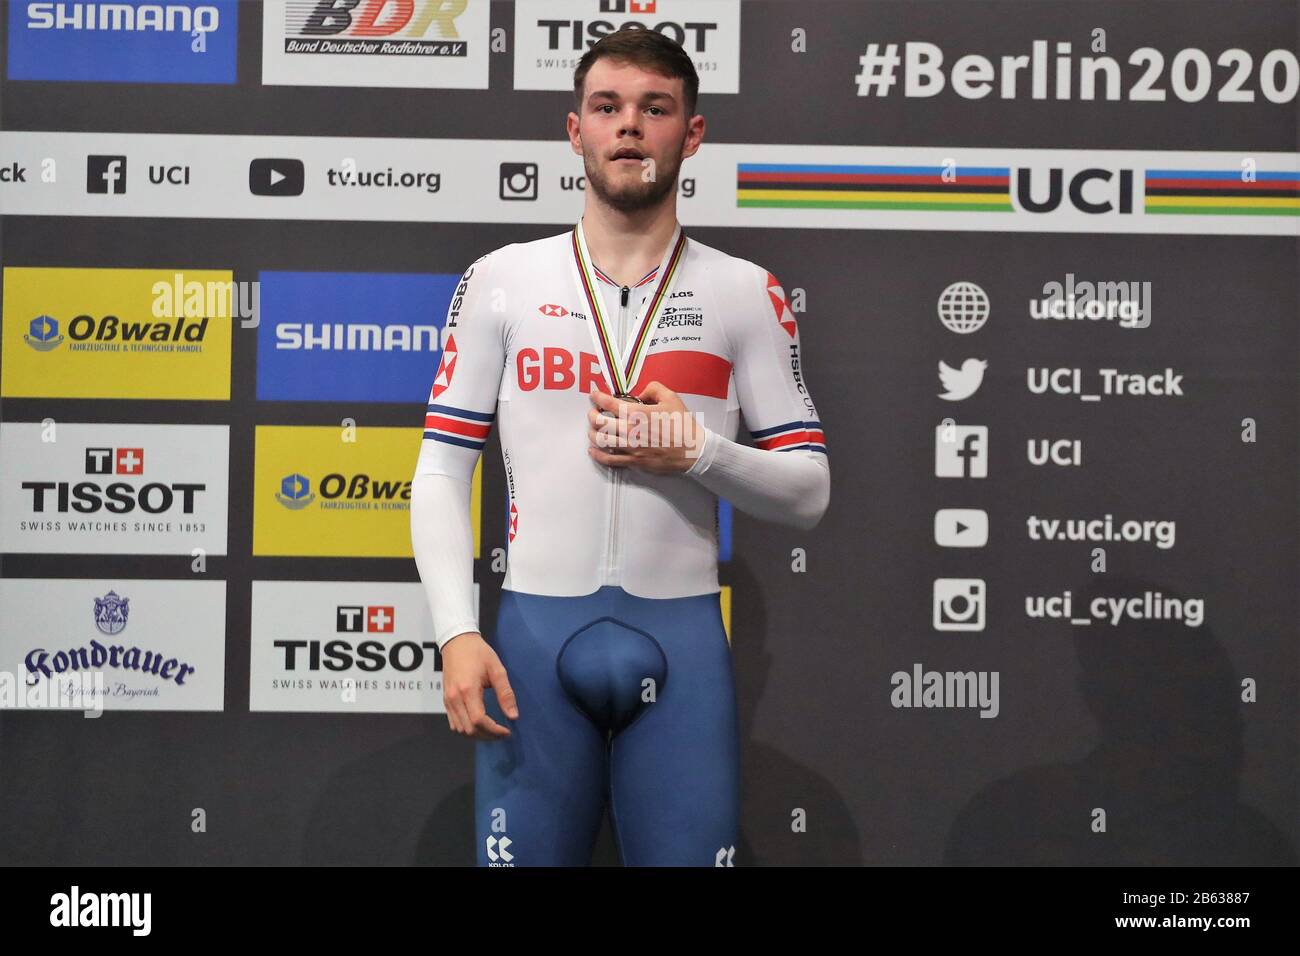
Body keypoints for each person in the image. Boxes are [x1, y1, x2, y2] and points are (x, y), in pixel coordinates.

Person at [410, 28, 830, 866]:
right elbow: (442, 469)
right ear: (577, 131)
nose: (629, 125)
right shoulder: (502, 280)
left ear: (692, 134)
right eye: (607, 107)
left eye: (655, 108)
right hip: (531, 643)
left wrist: (699, 453)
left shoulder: (744, 292)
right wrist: (455, 633)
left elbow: (809, 493)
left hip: (682, 646)